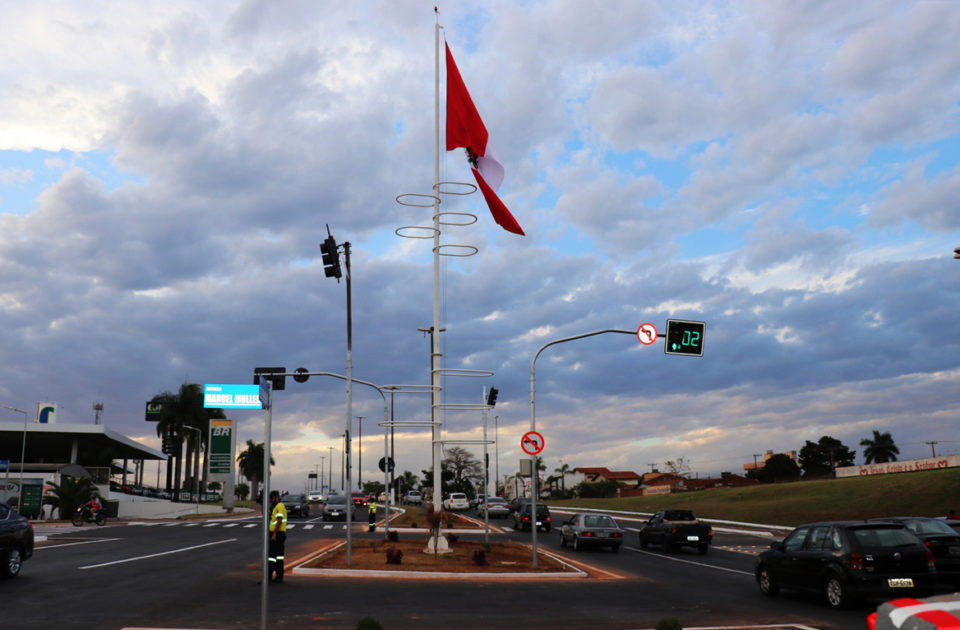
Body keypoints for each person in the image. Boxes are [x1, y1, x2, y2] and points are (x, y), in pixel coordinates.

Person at [268, 490, 287, 583]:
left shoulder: (279, 506)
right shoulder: (276, 507)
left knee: (271, 556)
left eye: (271, 499)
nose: (271, 501)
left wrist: (274, 533)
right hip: (280, 533)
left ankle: (268, 578)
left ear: (275, 497)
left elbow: (279, 520)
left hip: (278, 534)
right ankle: (279, 577)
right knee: (279, 557)